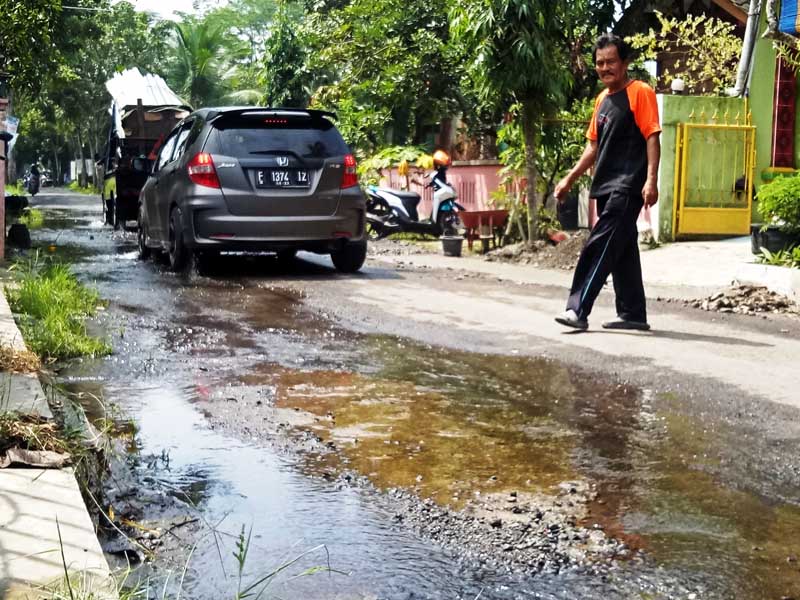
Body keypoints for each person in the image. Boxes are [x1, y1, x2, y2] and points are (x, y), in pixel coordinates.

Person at [553, 33, 661, 332]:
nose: (604, 68)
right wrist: (568, 179)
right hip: (605, 185)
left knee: (598, 247)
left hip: (627, 185)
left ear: (625, 62)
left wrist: (651, 180)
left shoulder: (640, 92)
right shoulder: (601, 100)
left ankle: (578, 310)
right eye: (599, 63)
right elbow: (592, 148)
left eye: (611, 61)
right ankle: (632, 313)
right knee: (622, 250)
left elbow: (652, 136)